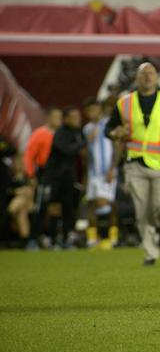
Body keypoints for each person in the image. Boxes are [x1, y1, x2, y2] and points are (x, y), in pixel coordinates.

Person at [105, 63, 160, 266]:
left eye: (151, 73)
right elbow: (109, 128)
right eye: (143, 74)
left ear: (157, 78)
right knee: (142, 211)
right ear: (137, 78)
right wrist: (115, 133)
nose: (147, 77)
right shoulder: (124, 102)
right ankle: (150, 254)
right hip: (135, 163)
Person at [43, 106, 86, 249]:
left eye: (79, 117)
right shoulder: (60, 133)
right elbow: (66, 150)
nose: (78, 120)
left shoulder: (78, 132)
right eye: (74, 117)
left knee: (69, 208)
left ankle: (67, 238)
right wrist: (82, 144)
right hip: (55, 176)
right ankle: (53, 239)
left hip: (69, 176)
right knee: (54, 207)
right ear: (66, 119)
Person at [24, 107, 62, 251]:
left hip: (58, 175)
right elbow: (29, 155)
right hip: (44, 174)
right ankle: (32, 240)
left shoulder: (61, 134)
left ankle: (53, 240)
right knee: (40, 207)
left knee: (56, 208)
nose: (59, 120)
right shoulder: (40, 134)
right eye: (56, 117)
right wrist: (31, 175)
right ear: (48, 118)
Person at [83, 98, 117, 250]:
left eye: (95, 109)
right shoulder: (87, 129)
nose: (93, 113)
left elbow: (116, 147)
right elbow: (87, 154)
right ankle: (92, 239)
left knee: (105, 203)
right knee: (91, 204)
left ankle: (110, 238)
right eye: (90, 111)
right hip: (93, 174)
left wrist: (112, 168)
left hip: (106, 172)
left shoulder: (109, 125)